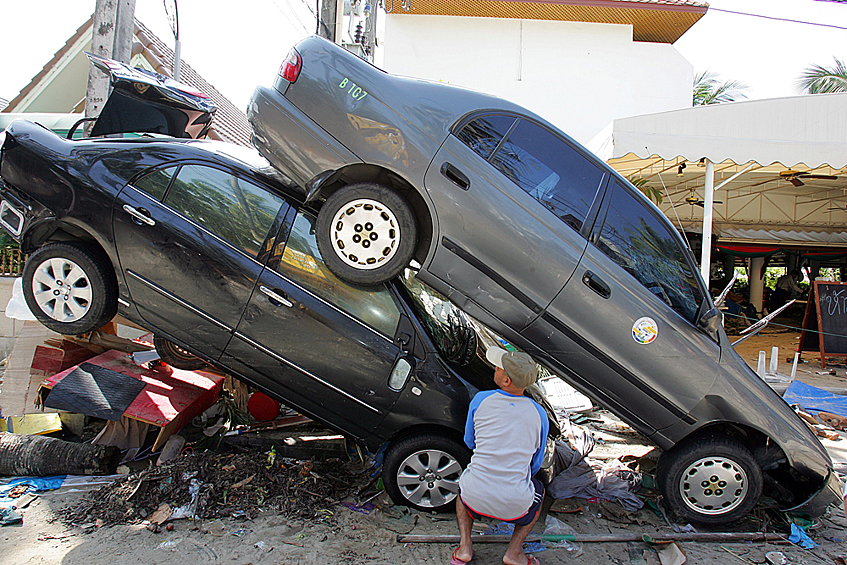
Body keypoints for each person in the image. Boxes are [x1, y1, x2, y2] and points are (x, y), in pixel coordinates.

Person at [452, 347, 549, 565]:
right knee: (539, 491)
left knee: (464, 486)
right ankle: (514, 553)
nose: (494, 369)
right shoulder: (539, 414)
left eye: (497, 367)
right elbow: (535, 464)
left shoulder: (480, 400)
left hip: (474, 495)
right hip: (516, 503)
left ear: (506, 380)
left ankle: (465, 548)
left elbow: (470, 441)